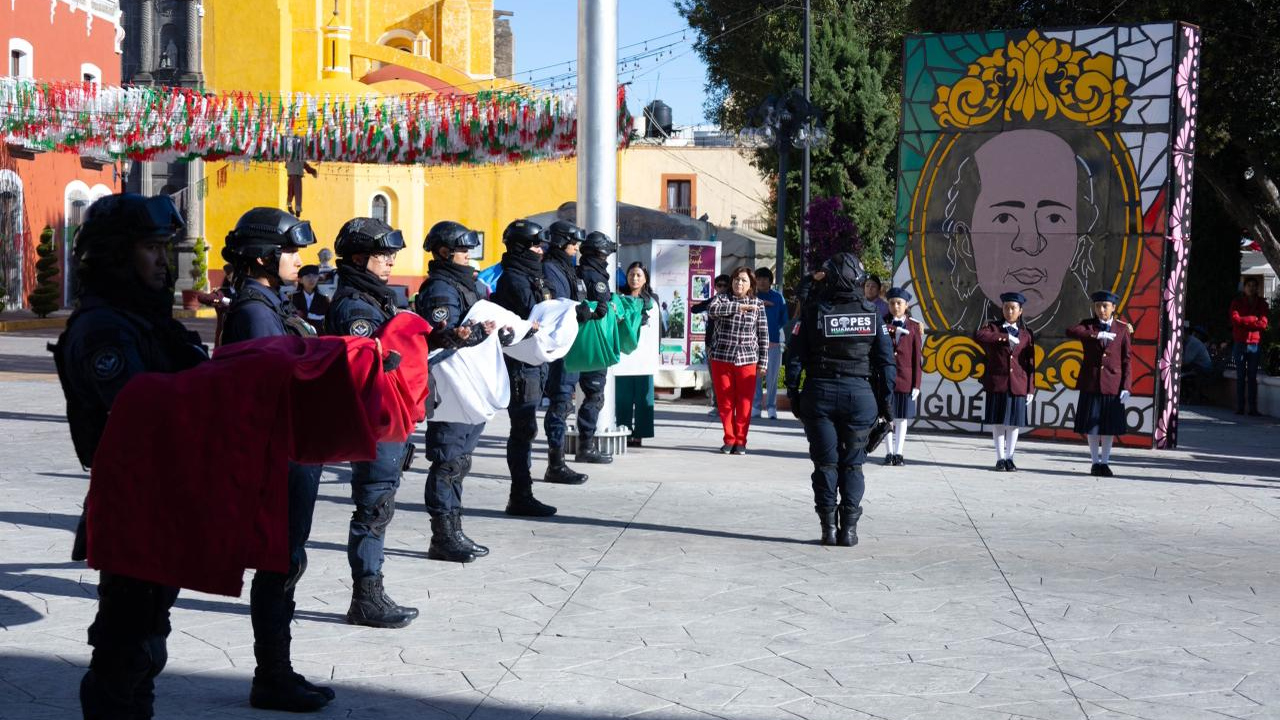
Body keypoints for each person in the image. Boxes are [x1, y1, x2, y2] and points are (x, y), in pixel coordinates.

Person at [51, 194, 209, 720]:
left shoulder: (141, 319)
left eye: (164, 248)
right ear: (117, 254)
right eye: (149, 247)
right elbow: (142, 411)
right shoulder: (105, 329)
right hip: (131, 502)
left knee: (148, 638)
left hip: (159, 497)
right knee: (126, 647)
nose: (162, 260)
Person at [220, 207, 334, 711]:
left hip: (291, 449)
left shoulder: (267, 302)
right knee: (279, 564)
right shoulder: (254, 310)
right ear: (265, 255)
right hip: (279, 454)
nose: (297, 259)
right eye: (290, 250)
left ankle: (277, 670)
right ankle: (271, 675)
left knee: (287, 561)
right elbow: (269, 383)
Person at [323, 217, 419, 629]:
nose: (390, 262)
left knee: (380, 502)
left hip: (385, 415)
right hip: (372, 418)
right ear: (359, 258)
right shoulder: (354, 306)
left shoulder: (376, 297)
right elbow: (360, 361)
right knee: (373, 506)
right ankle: (366, 595)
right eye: (383, 255)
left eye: (393, 255)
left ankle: (370, 590)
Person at [784, 252, 895, 547]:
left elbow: (794, 357)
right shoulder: (871, 313)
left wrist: (794, 393)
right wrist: (887, 405)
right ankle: (849, 530)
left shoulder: (813, 311)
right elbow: (886, 363)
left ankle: (828, 529)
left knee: (825, 465)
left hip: (819, 395)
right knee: (853, 465)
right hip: (860, 397)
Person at [414, 221, 505, 563]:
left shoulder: (466, 283)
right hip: (451, 385)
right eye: (463, 250)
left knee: (461, 460)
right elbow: (446, 333)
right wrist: (475, 333)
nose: (468, 256)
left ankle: (455, 528)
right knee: (447, 460)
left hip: (470, 382)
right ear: (443, 252)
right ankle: (443, 535)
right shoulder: (440, 288)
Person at [491, 219, 559, 517]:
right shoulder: (513, 279)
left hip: (534, 361)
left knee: (527, 428)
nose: (539, 249)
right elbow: (531, 316)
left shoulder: (534, 274)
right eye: (534, 244)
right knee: (523, 429)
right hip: (520, 364)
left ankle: (522, 493)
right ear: (520, 246)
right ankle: (520, 494)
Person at [540, 220, 593, 482]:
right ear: (561, 243)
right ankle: (555, 463)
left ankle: (557, 460)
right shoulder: (551, 268)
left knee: (565, 402)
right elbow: (559, 306)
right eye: (573, 243)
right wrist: (577, 310)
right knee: (560, 403)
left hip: (570, 343)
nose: (576, 248)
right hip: (557, 346)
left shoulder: (566, 268)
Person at [1067, 291, 1132, 477]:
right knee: (1092, 427)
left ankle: (1105, 461)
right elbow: (1071, 331)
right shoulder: (1088, 325)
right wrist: (1097, 334)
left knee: (1108, 427)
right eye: (1098, 306)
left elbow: (1127, 359)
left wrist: (1126, 386)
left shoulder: (1122, 329)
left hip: (1113, 383)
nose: (1101, 309)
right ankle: (1095, 462)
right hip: (1092, 382)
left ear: (1113, 308)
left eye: (1105, 306)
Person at [707, 266, 769, 454]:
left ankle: (741, 440)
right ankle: (729, 438)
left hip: (747, 359)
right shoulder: (722, 298)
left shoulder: (757, 304)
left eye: (743, 280)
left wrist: (763, 362)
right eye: (736, 279)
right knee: (725, 402)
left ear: (750, 284)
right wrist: (738, 306)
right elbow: (712, 311)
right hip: (721, 357)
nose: (738, 283)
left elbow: (763, 334)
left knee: (744, 402)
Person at [974, 291, 1037, 472]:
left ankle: (1010, 457)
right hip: (998, 382)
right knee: (999, 422)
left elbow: (1030, 362)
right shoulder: (993, 328)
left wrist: (1031, 388)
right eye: (1006, 308)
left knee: (1014, 423)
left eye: (1013, 308)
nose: (1009, 311)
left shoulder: (1026, 334)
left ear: (1020, 311)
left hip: (1018, 383)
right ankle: (1000, 458)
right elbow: (979, 336)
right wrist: (1005, 337)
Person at [571, 230, 618, 463]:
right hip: (593, 343)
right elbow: (601, 307)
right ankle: (586, 447)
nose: (607, 258)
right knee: (594, 396)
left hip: (575, 342)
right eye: (606, 253)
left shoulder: (577, 272)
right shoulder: (596, 277)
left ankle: (572, 447)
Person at [617, 261, 658, 447]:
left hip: (644, 356)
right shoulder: (619, 298)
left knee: (644, 396)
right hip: (624, 355)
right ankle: (623, 430)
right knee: (623, 397)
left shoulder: (651, 301)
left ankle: (640, 433)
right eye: (631, 274)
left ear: (645, 278)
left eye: (638, 275)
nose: (634, 278)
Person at [883, 287, 923, 466]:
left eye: (899, 303)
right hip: (885, 377)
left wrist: (917, 384)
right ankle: (888, 452)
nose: (895, 306)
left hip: (905, 378)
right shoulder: (882, 323)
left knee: (902, 418)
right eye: (892, 303)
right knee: (886, 417)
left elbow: (917, 358)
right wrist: (893, 330)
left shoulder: (913, 326)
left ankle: (899, 452)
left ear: (906, 305)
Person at [691, 274, 731, 415]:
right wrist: (711, 304)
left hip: (728, 346)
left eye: (725, 285)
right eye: (719, 285)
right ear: (715, 287)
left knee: (729, 379)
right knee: (715, 377)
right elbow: (694, 309)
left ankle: (728, 405)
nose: (722, 288)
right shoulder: (713, 301)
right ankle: (717, 405)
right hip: (711, 344)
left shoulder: (732, 301)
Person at [1230, 277, 1269, 416]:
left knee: (1252, 377)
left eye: (1254, 285)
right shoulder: (1237, 302)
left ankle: (1253, 408)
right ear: (1244, 287)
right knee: (1241, 376)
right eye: (1248, 285)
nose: (1251, 288)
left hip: (1254, 345)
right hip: (1240, 343)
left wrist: (1244, 321)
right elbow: (1235, 319)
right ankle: (1240, 407)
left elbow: (1263, 324)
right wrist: (1253, 320)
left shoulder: (1262, 304)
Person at [753, 267, 788, 420]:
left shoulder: (778, 298)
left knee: (772, 377)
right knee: (755, 377)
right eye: (759, 278)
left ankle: (772, 407)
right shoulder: (751, 297)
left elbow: (783, 320)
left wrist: (776, 338)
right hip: (753, 343)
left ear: (770, 281)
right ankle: (756, 406)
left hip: (773, 343)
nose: (761, 281)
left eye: (765, 279)